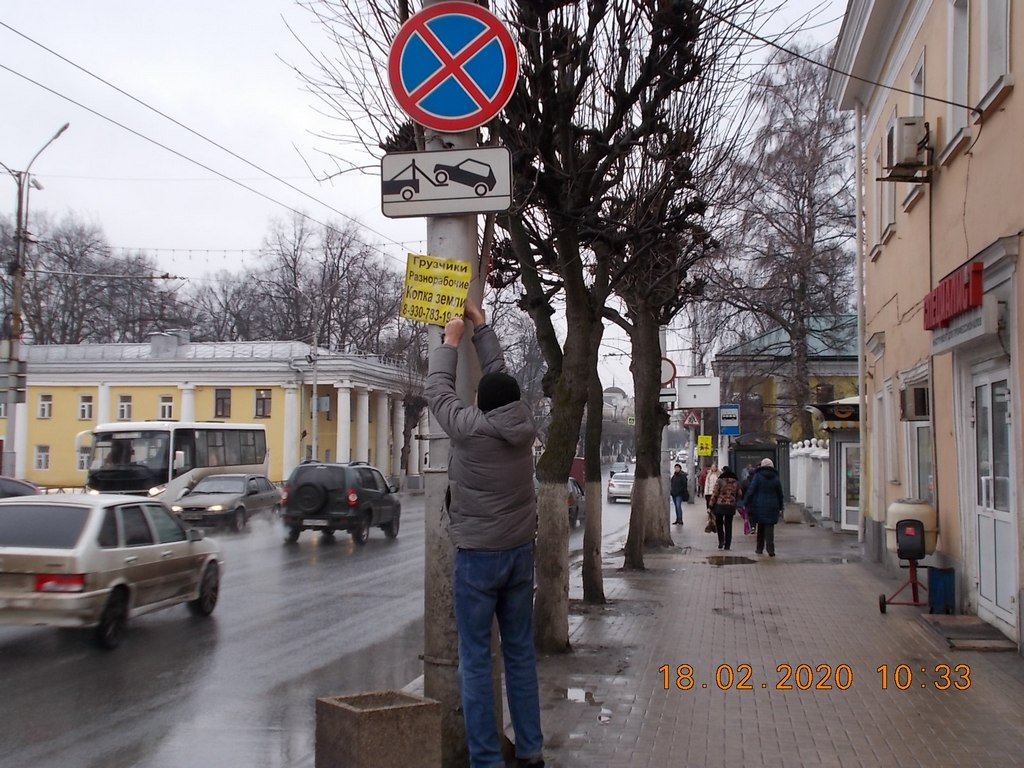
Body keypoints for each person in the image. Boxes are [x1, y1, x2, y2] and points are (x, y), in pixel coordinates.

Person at [425, 298, 545, 768]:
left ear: (482, 404)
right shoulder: (524, 424)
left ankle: (486, 761)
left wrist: (450, 341)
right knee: (519, 656)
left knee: (475, 661)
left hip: (477, 560)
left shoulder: (471, 430)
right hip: (519, 556)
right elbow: (500, 378)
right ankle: (531, 751)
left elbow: (438, 390)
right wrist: (482, 327)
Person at [742, 457, 785, 557]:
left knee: (760, 527)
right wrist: (780, 506)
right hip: (773, 506)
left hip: (759, 505)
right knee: (770, 528)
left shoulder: (758, 476)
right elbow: (780, 493)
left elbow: (751, 490)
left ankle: (759, 548)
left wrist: (746, 502)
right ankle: (771, 550)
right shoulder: (775, 477)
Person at [710, 465, 741, 550]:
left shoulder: (720, 481)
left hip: (720, 505)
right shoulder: (736, 482)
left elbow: (715, 493)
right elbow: (739, 494)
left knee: (719, 524)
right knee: (728, 525)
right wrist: (734, 501)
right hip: (730, 506)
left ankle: (721, 541)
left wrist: (711, 504)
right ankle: (728, 545)